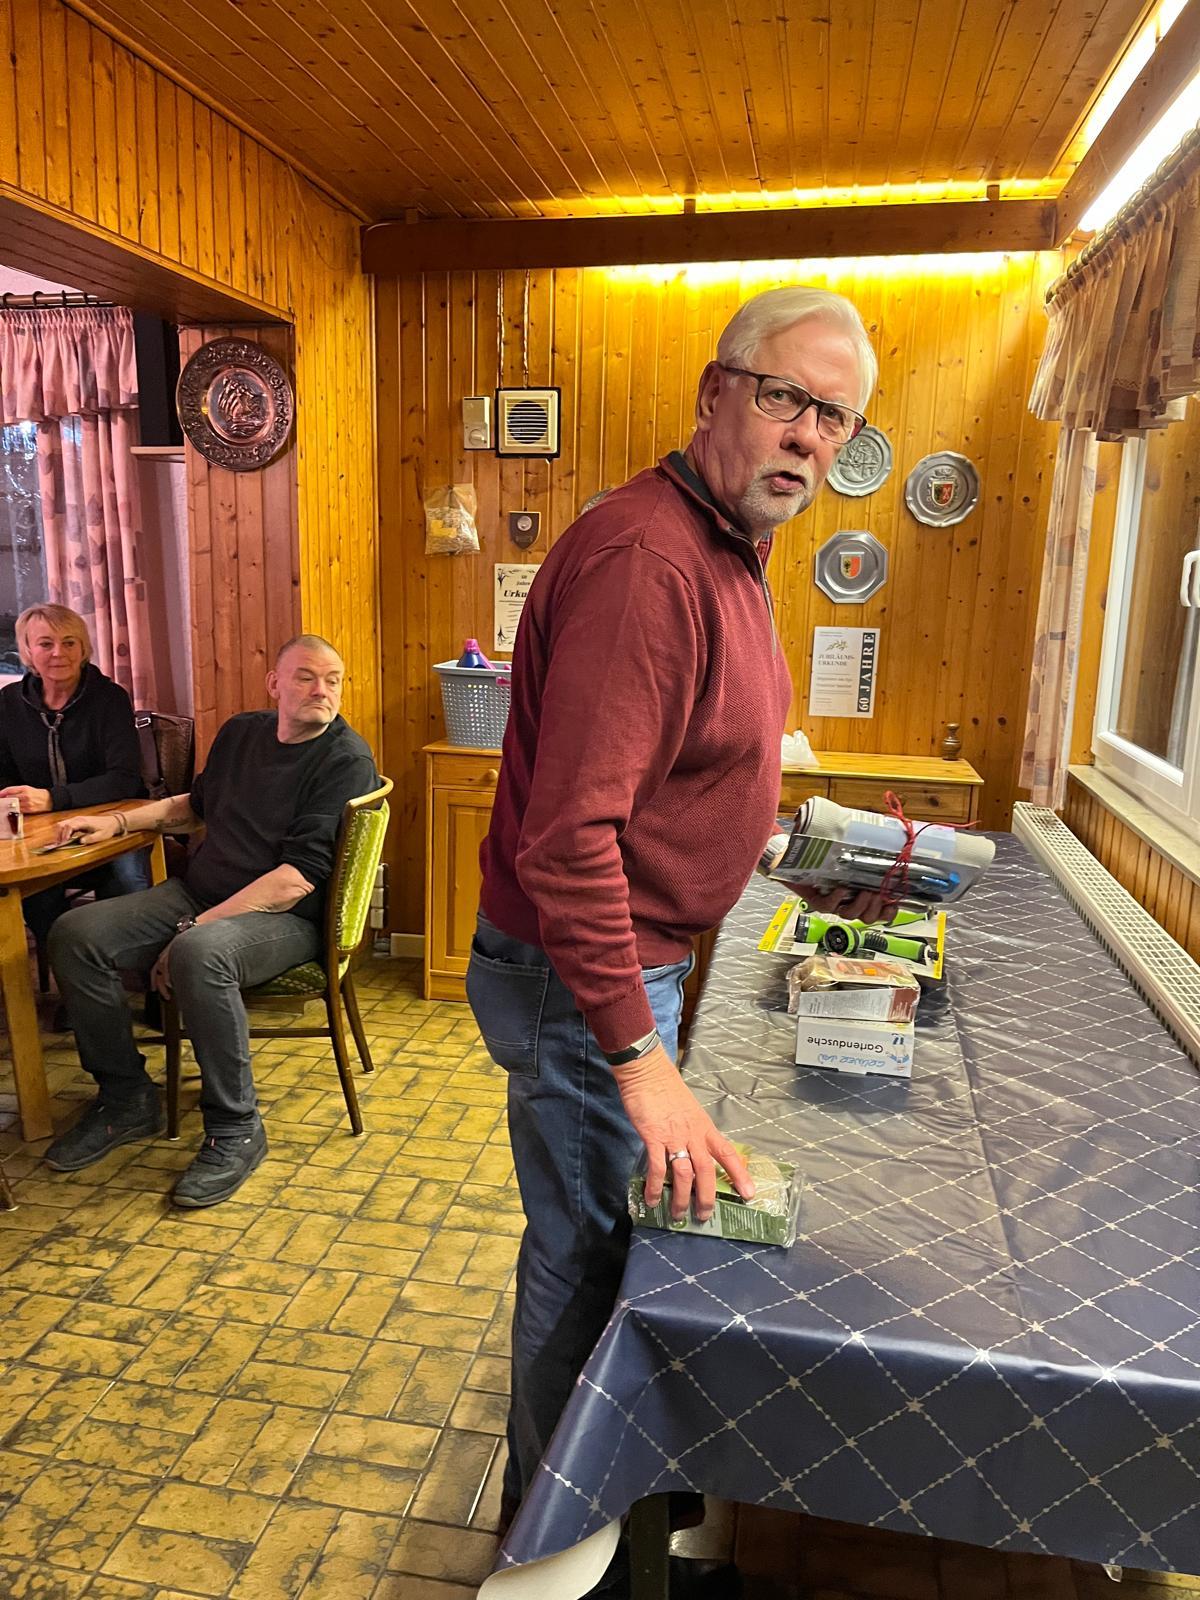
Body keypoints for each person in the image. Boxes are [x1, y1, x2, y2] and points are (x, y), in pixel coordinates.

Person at [467, 286, 881, 1539]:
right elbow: (569, 841)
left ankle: (604, 1501)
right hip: (582, 973)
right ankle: (556, 1535)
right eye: (786, 396)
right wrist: (640, 1062)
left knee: (611, 1238)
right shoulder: (651, 561)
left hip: (626, 957)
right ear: (715, 394)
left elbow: (674, 778)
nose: (809, 435)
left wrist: (778, 856)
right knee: (590, 1251)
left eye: (837, 417)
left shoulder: (726, 544)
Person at [44, 634, 378, 1208]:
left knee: (202, 954)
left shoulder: (345, 759)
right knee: (75, 935)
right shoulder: (241, 733)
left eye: (333, 680)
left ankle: (236, 1126)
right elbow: (192, 807)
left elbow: (295, 880)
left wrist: (193, 930)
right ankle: (127, 1097)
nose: (321, 691)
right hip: (198, 893)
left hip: (287, 918)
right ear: (275, 684)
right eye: (306, 677)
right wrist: (118, 823)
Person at [0, 603, 148, 941]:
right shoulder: (7, 703)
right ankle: (62, 957)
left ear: (83, 649)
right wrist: (19, 800)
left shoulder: (110, 698)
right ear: (27, 650)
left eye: (69, 642)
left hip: (113, 816)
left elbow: (125, 779)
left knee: (128, 880)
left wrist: (53, 798)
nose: (58, 653)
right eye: (46, 643)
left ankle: (130, 959)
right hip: (42, 826)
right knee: (32, 888)